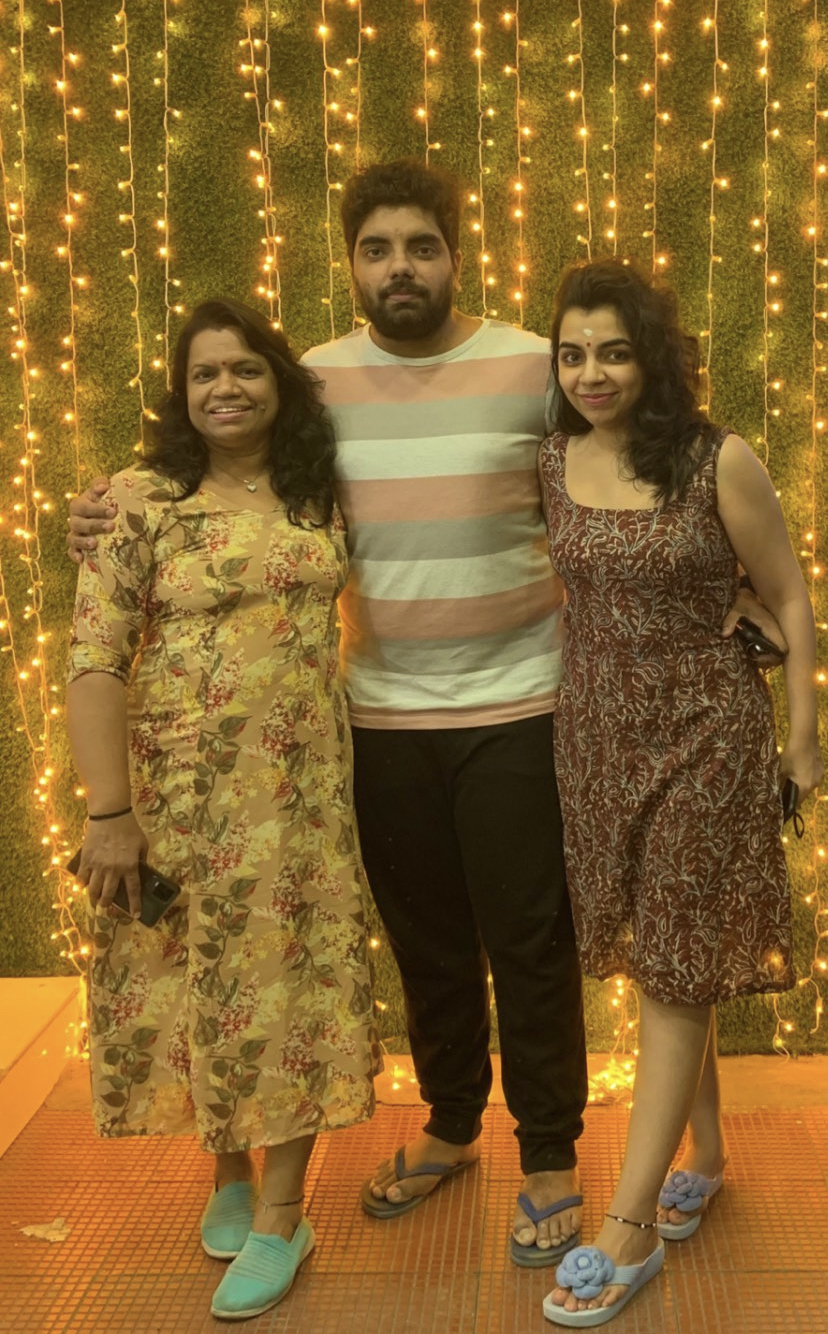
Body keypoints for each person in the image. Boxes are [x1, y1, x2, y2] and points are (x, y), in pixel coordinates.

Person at [66, 160, 786, 1267]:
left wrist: (733, 585)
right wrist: (106, 506)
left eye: (420, 246)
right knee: (427, 944)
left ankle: (549, 1155)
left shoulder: (533, 366)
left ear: (455, 254)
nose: (399, 267)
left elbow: (642, 454)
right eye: (377, 249)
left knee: (531, 943)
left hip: (525, 707)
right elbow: (225, 462)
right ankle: (452, 1123)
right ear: (351, 263)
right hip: (376, 718)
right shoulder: (313, 380)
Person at [66, 298, 379, 1323]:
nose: (225, 389)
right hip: (176, 798)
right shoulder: (137, 500)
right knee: (199, 976)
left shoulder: (315, 490)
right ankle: (228, 1166)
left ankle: (284, 1212)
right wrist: (109, 814)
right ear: (180, 392)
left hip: (300, 801)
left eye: (245, 368)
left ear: (278, 382)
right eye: (204, 373)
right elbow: (94, 659)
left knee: (290, 984)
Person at [537, 258, 822, 1328]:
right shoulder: (551, 460)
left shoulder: (716, 459)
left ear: (652, 357)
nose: (592, 373)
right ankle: (705, 1146)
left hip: (709, 736)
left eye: (614, 351)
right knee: (661, 954)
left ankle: (629, 1224)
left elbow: (790, 595)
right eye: (573, 354)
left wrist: (803, 739)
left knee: (673, 960)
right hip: (595, 738)